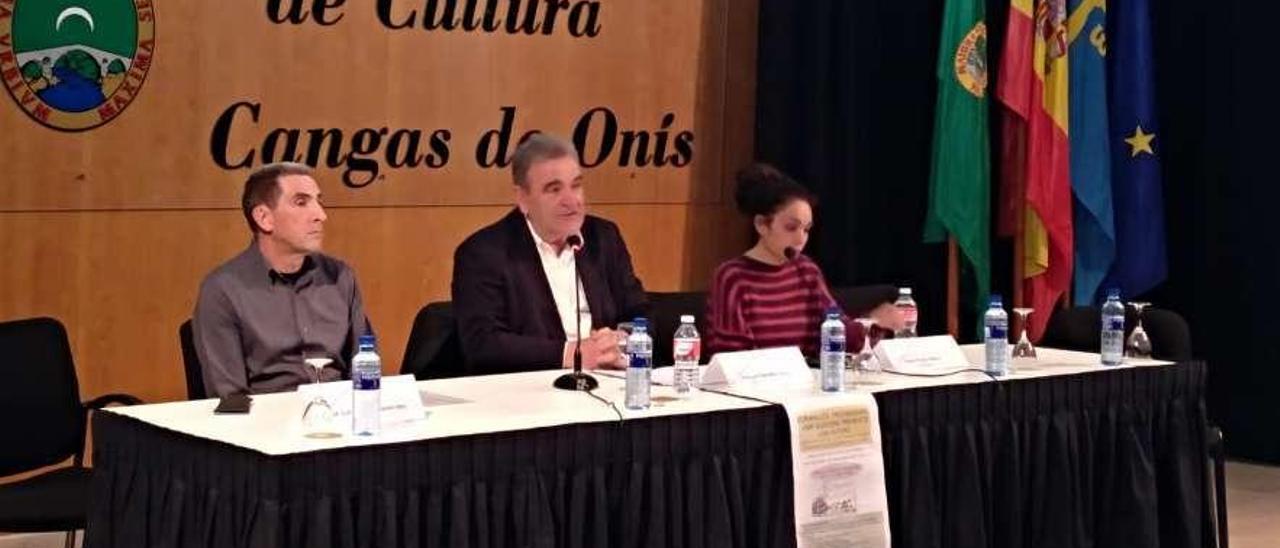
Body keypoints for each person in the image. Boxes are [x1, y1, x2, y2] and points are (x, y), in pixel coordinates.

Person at [452, 133, 648, 374]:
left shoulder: (603, 238)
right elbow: (483, 345)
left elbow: (642, 311)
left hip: (609, 381)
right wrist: (572, 354)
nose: (571, 201)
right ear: (523, 198)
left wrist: (622, 338)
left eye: (576, 185)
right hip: (531, 393)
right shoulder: (484, 253)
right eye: (554, 189)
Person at [193, 162, 372, 397]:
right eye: (301, 202)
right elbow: (230, 397)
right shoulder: (223, 290)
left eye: (319, 201)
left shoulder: (340, 277)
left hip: (340, 418)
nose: (321, 215)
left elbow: (366, 366)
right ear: (264, 218)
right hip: (265, 423)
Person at [705, 163, 903, 358]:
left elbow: (838, 332)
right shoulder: (732, 277)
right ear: (762, 225)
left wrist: (873, 323)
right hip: (759, 386)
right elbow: (731, 356)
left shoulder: (806, 270)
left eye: (806, 229)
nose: (801, 240)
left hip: (809, 384)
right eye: (791, 227)